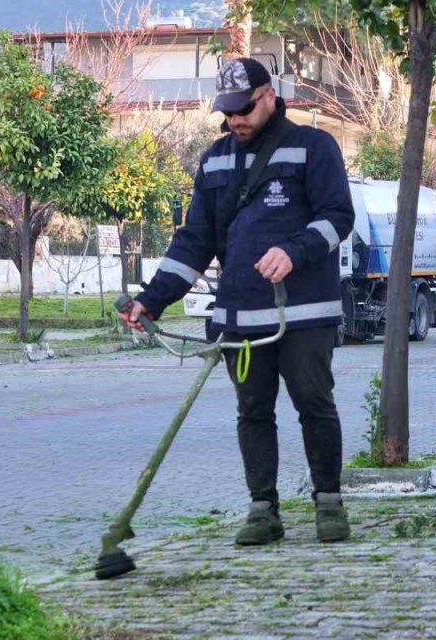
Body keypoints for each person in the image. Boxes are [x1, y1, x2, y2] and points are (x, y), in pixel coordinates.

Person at [120, 58, 355, 545]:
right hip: (239, 318)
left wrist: (294, 251)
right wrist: (152, 300)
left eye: (244, 109)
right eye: (227, 112)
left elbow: (338, 216)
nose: (235, 121)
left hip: (304, 315)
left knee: (314, 404)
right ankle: (262, 510)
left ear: (269, 95)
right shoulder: (215, 159)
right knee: (253, 411)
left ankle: (328, 504)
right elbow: (194, 241)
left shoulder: (314, 147)